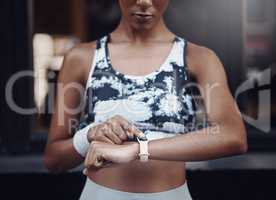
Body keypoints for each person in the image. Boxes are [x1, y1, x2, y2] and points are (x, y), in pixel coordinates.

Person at [44, 0, 248, 199]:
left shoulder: (197, 58)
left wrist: (138, 149)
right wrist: (89, 135)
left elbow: (233, 136)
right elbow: (54, 159)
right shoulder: (83, 58)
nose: (144, 2)